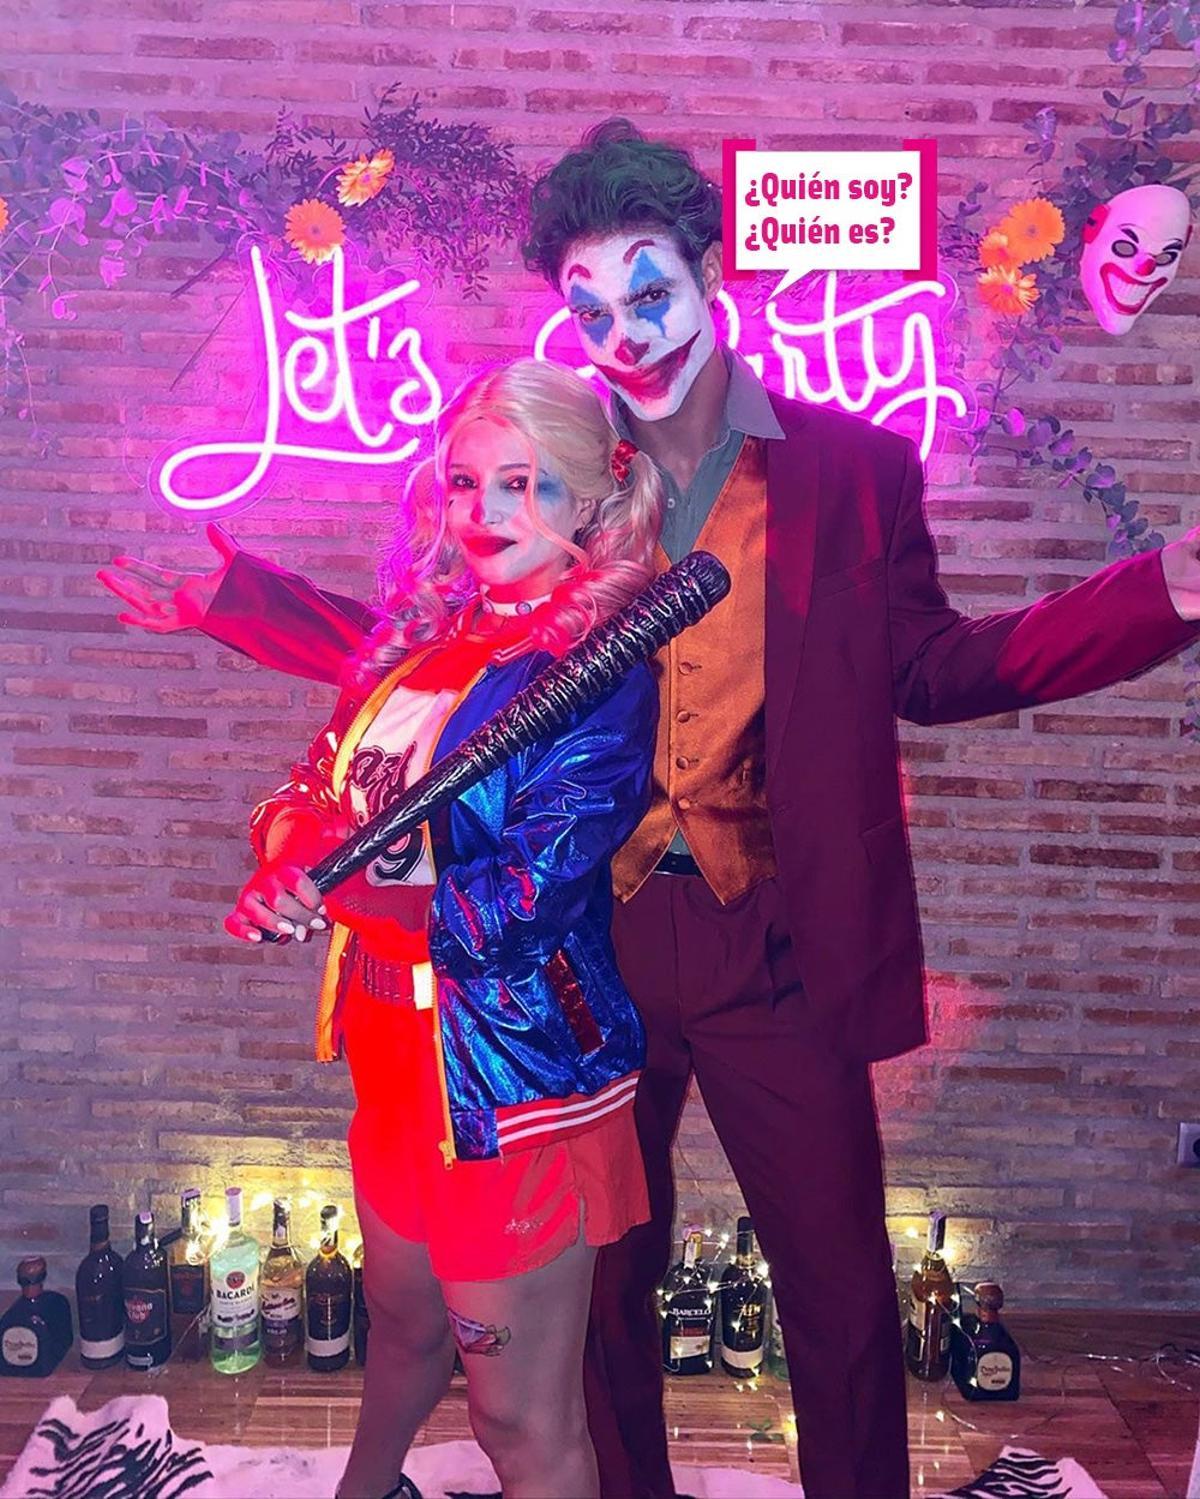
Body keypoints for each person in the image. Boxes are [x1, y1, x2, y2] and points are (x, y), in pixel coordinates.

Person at [100, 122, 1200, 1499]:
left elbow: (935, 666)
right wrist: (239, 602)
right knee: (602, 1290)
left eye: (651, 292)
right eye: (591, 311)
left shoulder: (852, 470)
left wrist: (1157, 593)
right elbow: (439, 653)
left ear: (708, 274)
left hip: (779, 938)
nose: (626, 335)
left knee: (841, 1287)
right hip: (584, 943)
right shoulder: (559, 461)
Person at [221, 357, 662, 1499]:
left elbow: (520, 904)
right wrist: (287, 857)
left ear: (592, 497)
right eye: (467, 483)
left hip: (506, 1082)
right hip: (391, 1064)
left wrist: (347, 893)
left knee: (518, 1416)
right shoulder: (424, 641)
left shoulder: (599, 676)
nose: (486, 512)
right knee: (406, 1327)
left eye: (525, 484)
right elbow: (315, 785)